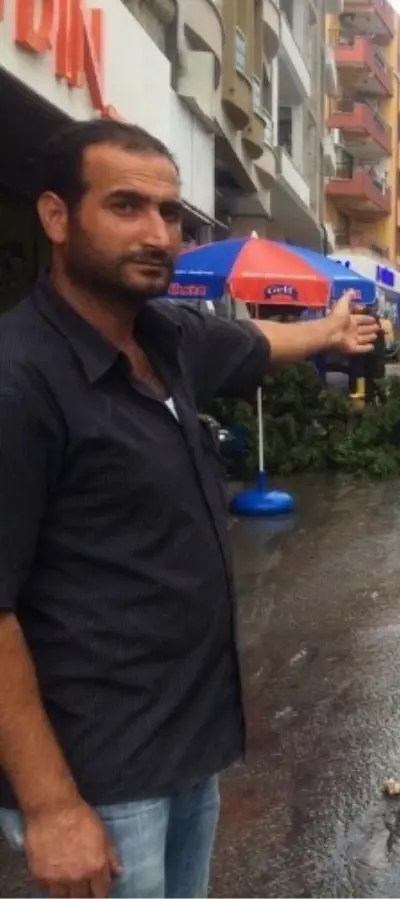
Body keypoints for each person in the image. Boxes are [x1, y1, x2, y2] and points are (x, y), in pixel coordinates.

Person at [0, 120, 379, 899]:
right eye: (127, 206)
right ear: (56, 217)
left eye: (170, 214)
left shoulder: (167, 337)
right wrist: (49, 805)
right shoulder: (18, 381)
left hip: (185, 743)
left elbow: (258, 343)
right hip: (99, 771)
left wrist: (333, 330)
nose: (158, 233)